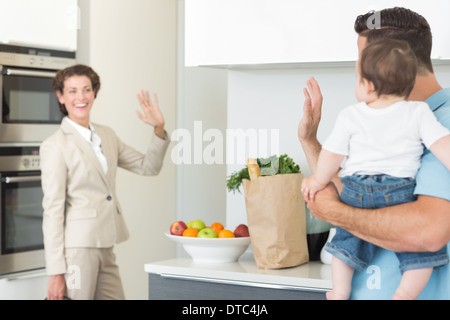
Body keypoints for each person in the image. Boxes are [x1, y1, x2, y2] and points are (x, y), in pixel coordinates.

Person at [298, 7, 450, 300]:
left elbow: (427, 232)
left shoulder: (440, 122)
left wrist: (334, 212)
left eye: (361, 62)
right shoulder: (384, 119)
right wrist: (309, 139)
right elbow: (360, 193)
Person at [41, 64, 170, 300]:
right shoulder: (55, 145)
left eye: (86, 89)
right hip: (77, 250)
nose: (80, 97)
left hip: (107, 244)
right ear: (61, 96)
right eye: (72, 91)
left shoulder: (106, 135)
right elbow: (53, 209)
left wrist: (159, 129)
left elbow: (148, 167)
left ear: (94, 93)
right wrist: (56, 272)